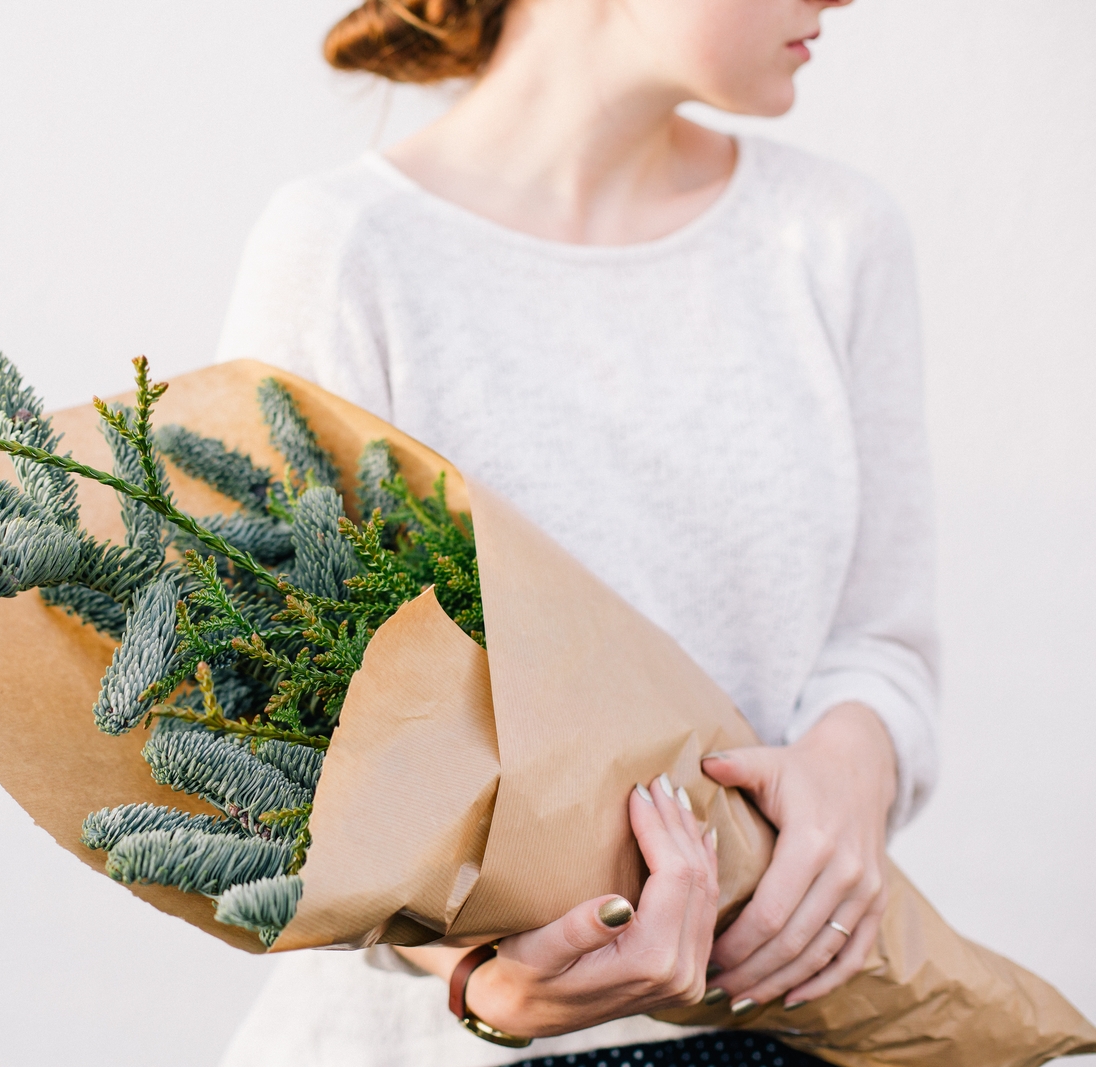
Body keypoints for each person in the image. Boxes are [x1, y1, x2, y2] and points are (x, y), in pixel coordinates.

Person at [214, 0, 939, 1064]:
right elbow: (260, 726)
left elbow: (882, 643)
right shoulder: (346, 252)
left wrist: (851, 762)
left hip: (776, 1035)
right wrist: (476, 976)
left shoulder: (831, 238)